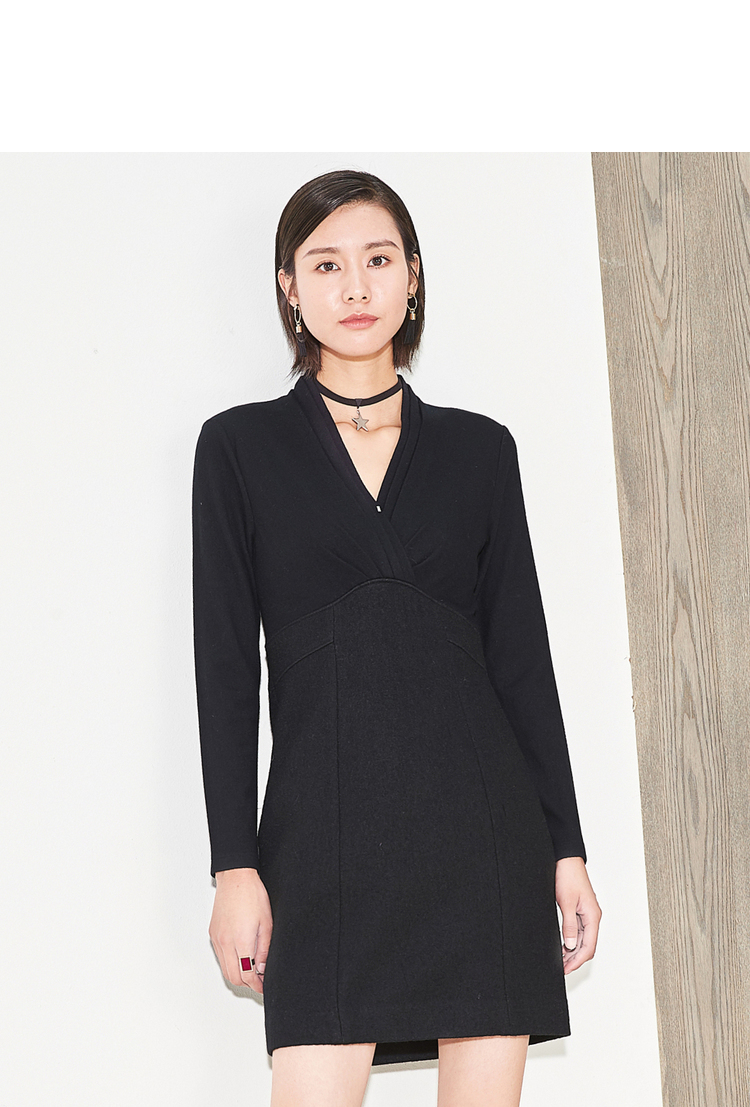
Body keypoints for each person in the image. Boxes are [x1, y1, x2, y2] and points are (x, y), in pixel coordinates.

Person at [192, 169, 602, 1107]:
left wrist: (566, 850)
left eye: (378, 260)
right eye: (325, 264)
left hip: (481, 836)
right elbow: (225, 673)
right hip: (321, 841)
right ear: (290, 287)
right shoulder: (239, 448)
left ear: (413, 276)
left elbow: (522, 663)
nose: (355, 286)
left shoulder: (481, 450)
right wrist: (234, 866)